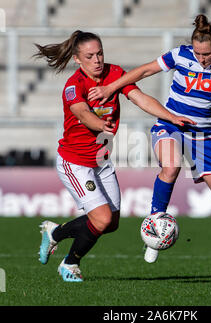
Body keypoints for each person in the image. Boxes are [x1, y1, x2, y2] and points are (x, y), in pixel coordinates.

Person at [87, 14, 211, 281]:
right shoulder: (181, 55)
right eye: (198, 52)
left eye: (207, 54)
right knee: (171, 165)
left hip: (204, 137)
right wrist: (111, 88)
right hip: (171, 126)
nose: (201, 58)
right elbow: (143, 71)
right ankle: (154, 226)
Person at [34, 30, 194, 282]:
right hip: (75, 162)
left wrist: (170, 116)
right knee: (101, 218)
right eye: (90, 56)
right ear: (78, 59)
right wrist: (100, 125)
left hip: (101, 160)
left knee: (111, 223)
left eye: (100, 53)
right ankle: (69, 264)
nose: (97, 60)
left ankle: (55, 233)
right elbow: (82, 113)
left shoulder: (115, 74)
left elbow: (139, 98)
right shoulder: (73, 86)